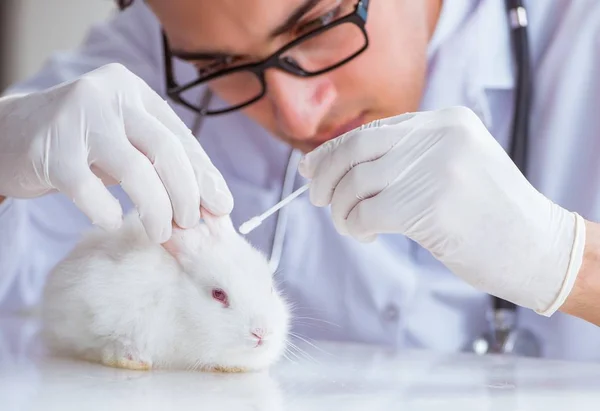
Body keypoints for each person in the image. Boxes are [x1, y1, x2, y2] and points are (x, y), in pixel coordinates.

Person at [0, 0, 599, 360]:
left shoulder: (583, 35)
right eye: (222, 67)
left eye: (314, 26)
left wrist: (568, 264)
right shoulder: (157, 61)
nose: (297, 117)